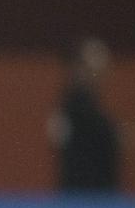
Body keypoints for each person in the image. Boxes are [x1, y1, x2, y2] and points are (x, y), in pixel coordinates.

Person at [49, 37, 122, 193]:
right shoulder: (74, 103)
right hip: (84, 193)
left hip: (96, 191)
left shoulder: (85, 103)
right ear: (80, 68)